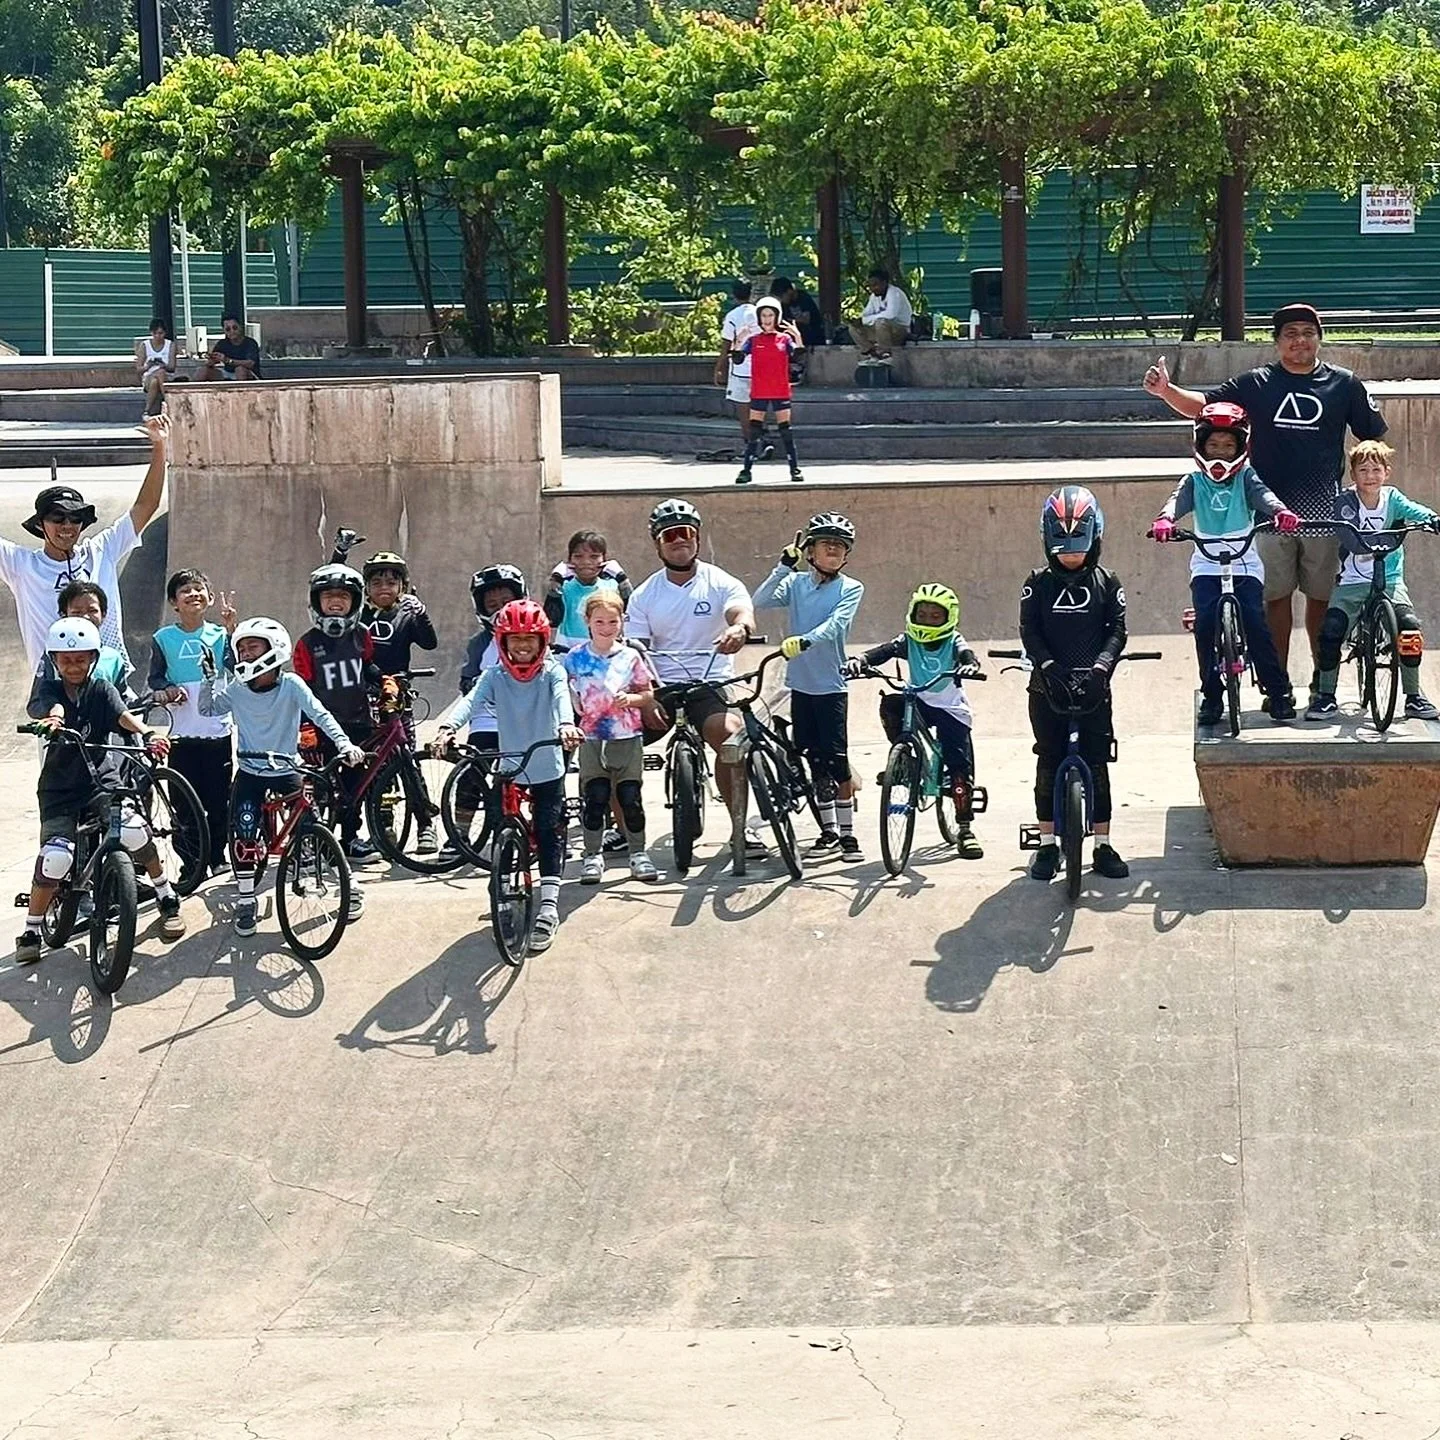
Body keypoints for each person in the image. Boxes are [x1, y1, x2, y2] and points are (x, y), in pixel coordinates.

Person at [1143, 302, 1387, 700]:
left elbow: (1373, 437)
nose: (1300, 341)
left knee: (1321, 600)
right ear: (1276, 343)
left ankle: (1322, 685)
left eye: (1308, 333)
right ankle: (1280, 685)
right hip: (1268, 514)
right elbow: (1205, 409)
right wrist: (1166, 391)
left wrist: (1373, 482)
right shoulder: (1256, 383)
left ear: (1319, 338)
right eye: (1290, 334)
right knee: (1274, 600)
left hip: (1324, 513)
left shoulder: (1344, 383)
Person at [17, 617, 183, 965]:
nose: (73, 665)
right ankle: (31, 929)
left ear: (93, 657)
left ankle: (167, 896)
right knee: (56, 859)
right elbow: (51, 707)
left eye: (80, 658)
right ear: (54, 660)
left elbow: (123, 715)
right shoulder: (49, 689)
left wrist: (148, 733)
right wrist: (54, 720)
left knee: (136, 832)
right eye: (65, 659)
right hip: (59, 790)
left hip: (101, 782)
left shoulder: (102, 688)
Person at [198, 618, 363, 938]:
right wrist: (208, 678)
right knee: (245, 831)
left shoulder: (292, 685)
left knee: (312, 825)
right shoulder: (237, 688)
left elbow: (320, 714)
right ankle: (246, 899)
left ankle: (348, 884)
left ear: (274, 650)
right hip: (249, 771)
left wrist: (344, 743)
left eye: (252, 647)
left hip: (287, 769)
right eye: (241, 649)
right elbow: (209, 710)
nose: (245, 653)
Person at [435, 599, 583, 953]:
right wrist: (447, 727)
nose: (521, 646)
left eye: (529, 640)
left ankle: (548, 904)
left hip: (546, 764)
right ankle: (501, 892)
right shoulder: (495, 676)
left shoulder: (552, 672)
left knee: (548, 830)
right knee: (502, 826)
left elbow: (562, 699)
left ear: (542, 641)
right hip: (510, 766)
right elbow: (471, 701)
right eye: (513, 639)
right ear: (501, 642)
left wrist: (566, 724)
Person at [625, 498, 764, 856]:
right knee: (613, 741)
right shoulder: (644, 595)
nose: (679, 541)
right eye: (670, 535)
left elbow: (741, 611)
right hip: (661, 685)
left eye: (686, 533)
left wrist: (740, 629)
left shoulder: (719, 582)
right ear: (658, 542)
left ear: (697, 538)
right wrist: (647, 692)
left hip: (709, 682)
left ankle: (741, 828)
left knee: (731, 739)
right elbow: (635, 647)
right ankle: (619, 827)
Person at [1150, 403, 1300, 725]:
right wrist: (1164, 520)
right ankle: (1212, 695)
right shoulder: (1194, 480)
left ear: (1241, 448)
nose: (1220, 452)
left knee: (1257, 625)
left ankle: (1277, 692)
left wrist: (1280, 513)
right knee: (1204, 625)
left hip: (1244, 561)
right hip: (1206, 563)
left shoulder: (1245, 476)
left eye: (1228, 446)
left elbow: (1264, 495)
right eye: (1213, 445)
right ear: (1200, 445)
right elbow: (1175, 502)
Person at [1019, 486, 1130, 881]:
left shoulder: (1108, 581)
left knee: (1098, 762)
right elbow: (1029, 631)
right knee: (1048, 760)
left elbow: (1117, 632)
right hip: (1047, 686)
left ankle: (1102, 844)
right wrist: (1047, 665)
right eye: (1062, 547)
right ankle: (1047, 845)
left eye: (1078, 547)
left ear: (1095, 538)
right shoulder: (1036, 582)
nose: (1070, 555)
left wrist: (1101, 669)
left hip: (1094, 685)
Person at [0, 415, 168, 675]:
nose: (67, 525)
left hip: (109, 679)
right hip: (54, 686)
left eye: (75, 517)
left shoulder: (102, 550)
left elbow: (146, 506)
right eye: (57, 517)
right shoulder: (20, 564)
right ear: (40, 524)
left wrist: (160, 447)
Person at [755, 512, 866, 860]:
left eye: (839, 546)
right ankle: (828, 831)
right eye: (825, 544)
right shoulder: (797, 583)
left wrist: (804, 640)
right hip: (800, 685)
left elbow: (837, 625)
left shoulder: (851, 588)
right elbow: (760, 600)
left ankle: (849, 835)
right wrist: (783, 566)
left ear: (846, 555)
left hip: (831, 685)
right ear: (810, 550)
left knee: (837, 761)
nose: (832, 550)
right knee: (814, 759)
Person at [845, 583, 984, 860]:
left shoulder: (954, 640)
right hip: (918, 700)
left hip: (949, 708)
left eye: (936, 616)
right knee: (892, 704)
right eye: (923, 614)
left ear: (949, 618)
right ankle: (905, 762)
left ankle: (965, 829)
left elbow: (968, 656)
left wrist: (970, 665)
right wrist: (861, 659)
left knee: (958, 765)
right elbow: (884, 651)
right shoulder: (909, 640)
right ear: (913, 614)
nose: (928, 620)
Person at [1310, 439, 1440, 721]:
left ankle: (1414, 696)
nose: (1370, 476)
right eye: (1363, 470)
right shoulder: (1345, 502)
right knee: (1331, 632)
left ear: (1386, 472)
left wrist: (1432, 519)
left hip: (1389, 579)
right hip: (1352, 581)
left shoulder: (1393, 499)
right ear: (1353, 474)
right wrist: (1380, 540)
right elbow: (1350, 539)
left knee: (1409, 629)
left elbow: (1415, 510)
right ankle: (1325, 696)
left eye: (1376, 470)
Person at [293, 564, 385, 872]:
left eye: (343, 596)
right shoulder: (307, 643)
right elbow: (301, 688)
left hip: (358, 722)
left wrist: (385, 682)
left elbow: (369, 668)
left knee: (355, 786)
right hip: (323, 728)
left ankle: (350, 838)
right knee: (320, 787)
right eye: (328, 596)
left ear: (355, 602)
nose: (336, 602)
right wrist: (306, 727)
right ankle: (316, 841)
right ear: (315, 602)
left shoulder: (361, 635)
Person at [563, 591, 659, 884]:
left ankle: (638, 853)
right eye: (600, 621)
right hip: (592, 738)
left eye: (613, 621)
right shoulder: (576, 657)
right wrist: (572, 704)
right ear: (588, 622)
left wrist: (631, 699)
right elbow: (562, 688)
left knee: (630, 798)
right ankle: (592, 856)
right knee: (595, 798)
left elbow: (647, 693)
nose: (606, 627)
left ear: (622, 622)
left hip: (627, 737)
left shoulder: (630, 656)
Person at [148, 569, 238, 871]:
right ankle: (192, 862)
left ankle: (217, 858)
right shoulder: (163, 638)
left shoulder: (220, 635)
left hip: (216, 732)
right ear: (174, 602)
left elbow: (234, 669)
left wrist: (232, 630)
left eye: (199, 588)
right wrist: (167, 690)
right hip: (181, 735)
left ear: (210, 598)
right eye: (185, 590)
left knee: (218, 801)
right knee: (184, 803)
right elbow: (155, 678)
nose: (193, 594)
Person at [445, 563, 528, 851]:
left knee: (536, 777)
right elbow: (467, 680)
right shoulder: (480, 644)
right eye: (491, 605)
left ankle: (542, 829)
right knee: (472, 775)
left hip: (524, 721)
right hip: (487, 721)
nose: (500, 609)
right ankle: (459, 834)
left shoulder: (533, 637)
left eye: (507, 602)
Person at [731, 296, 805, 484]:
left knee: (785, 431)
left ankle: (794, 469)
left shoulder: (784, 339)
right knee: (754, 431)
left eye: (770, 315)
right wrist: (739, 340)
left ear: (777, 316)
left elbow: (798, 357)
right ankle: (746, 470)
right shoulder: (753, 340)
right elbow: (738, 358)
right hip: (760, 391)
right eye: (763, 315)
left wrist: (797, 337)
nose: (766, 319)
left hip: (780, 390)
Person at [27, 581, 129, 703]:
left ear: (104, 614)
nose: (85, 617)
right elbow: (35, 704)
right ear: (64, 615)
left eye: (92, 610)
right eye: (77, 612)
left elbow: (122, 702)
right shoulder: (53, 655)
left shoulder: (114, 658)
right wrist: (57, 712)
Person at [543, 529, 632, 653]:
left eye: (594, 557)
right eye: (578, 556)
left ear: (604, 559)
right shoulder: (565, 588)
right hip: (567, 653)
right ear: (570, 560)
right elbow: (551, 619)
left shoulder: (612, 587)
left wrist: (623, 580)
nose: (586, 562)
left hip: (603, 653)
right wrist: (555, 582)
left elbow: (632, 614)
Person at [360, 551, 438, 678]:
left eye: (391, 583)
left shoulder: (407, 615)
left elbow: (429, 644)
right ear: (366, 588)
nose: (384, 587)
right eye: (376, 583)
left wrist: (421, 614)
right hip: (360, 687)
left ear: (402, 587)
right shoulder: (357, 615)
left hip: (396, 687)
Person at [716, 279, 763, 457]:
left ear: (734, 295)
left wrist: (719, 368)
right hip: (761, 366)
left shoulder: (732, 316)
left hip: (740, 368)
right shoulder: (761, 314)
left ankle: (751, 446)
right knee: (759, 406)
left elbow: (726, 344)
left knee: (744, 408)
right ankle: (761, 440)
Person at [846, 268, 913, 358]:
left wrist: (867, 320)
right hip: (880, 333)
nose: (872, 288)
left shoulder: (894, 293)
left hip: (899, 331)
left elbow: (890, 314)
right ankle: (871, 353)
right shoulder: (874, 297)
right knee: (853, 328)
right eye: (870, 286)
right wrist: (862, 321)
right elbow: (865, 315)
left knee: (881, 322)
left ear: (884, 283)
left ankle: (885, 354)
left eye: (875, 285)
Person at [194, 314, 262, 382]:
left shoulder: (250, 343)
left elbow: (250, 364)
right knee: (202, 371)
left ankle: (241, 392)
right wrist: (211, 360)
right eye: (228, 329)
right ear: (224, 331)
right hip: (227, 374)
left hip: (250, 376)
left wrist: (226, 360)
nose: (232, 331)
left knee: (240, 370)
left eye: (235, 327)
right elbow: (210, 363)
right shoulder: (222, 343)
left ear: (240, 327)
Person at [771, 277, 826, 351]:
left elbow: (806, 320)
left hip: (812, 338)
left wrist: (790, 321)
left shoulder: (803, 298)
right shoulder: (784, 304)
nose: (781, 299)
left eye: (781, 296)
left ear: (789, 291)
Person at [137, 319, 176, 417]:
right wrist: (147, 366)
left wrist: (163, 365)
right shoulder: (144, 345)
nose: (158, 336)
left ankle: (147, 411)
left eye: (160, 333)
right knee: (157, 375)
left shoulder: (170, 345)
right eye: (155, 333)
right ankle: (169, 402)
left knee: (158, 377)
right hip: (149, 375)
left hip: (166, 375)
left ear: (165, 333)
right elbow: (139, 369)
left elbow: (172, 367)